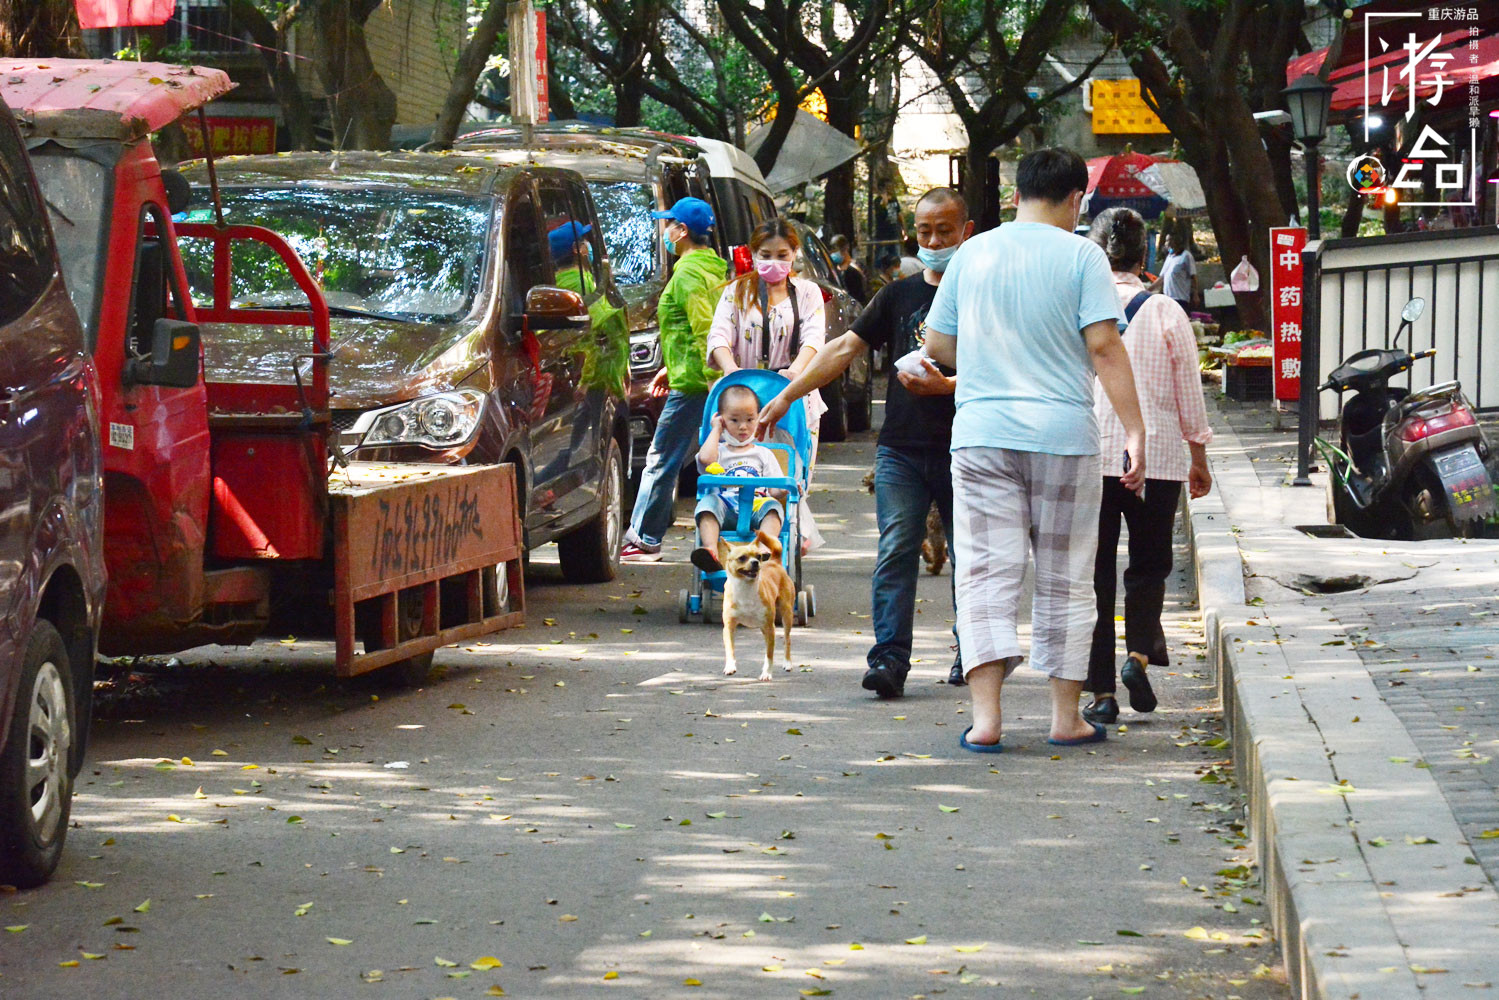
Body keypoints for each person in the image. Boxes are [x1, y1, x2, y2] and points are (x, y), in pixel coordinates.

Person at [921, 147, 1147, 752]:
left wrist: (994, 363)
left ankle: (987, 721)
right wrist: (1134, 431)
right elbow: (1103, 346)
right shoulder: (1083, 255)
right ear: (1077, 200)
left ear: (1017, 194)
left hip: (981, 435)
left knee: (985, 573)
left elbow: (939, 342)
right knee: (1067, 575)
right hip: (1063, 439)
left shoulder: (972, 252)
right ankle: (1064, 717)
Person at [759, 187, 974, 698]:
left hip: (968, 445)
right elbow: (844, 347)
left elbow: (1009, 367)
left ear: (967, 232)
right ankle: (888, 661)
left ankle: (974, 654)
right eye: (924, 231)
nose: (935, 240)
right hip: (900, 448)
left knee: (970, 555)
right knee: (897, 549)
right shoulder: (898, 295)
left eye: (945, 231)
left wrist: (949, 386)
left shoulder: (982, 292)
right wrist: (789, 395)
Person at [1083, 208, 1214, 724]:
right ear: (1145, 257)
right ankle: (1137, 654)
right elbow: (1190, 395)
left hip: (1090, 456)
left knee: (1095, 576)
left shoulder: (1080, 305)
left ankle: (1100, 693)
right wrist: (1198, 457)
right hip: (1156, 458)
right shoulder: (1165, 312)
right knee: (1150, 565)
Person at [707, 219, 829, 551]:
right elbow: (719, 335)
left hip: (793, 395)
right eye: (765, 254)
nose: (774, 262)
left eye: (782, 254)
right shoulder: (737, 291)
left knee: (789, 466)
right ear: (752, 253)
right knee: (736, 463)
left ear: (794, 254)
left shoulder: (807, 292)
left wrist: (796, 373)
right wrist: (732, 371)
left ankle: (785, 532)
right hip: (741, 397)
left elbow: (814, 338)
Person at [620, 197, 728, 562]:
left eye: (669, 224)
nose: (665, 230)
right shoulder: (712, 268)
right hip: (694, 378)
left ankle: (644, 536)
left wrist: (715, 382)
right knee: (691, 459)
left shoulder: (688, 274)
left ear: (682, 231)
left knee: (660, 458)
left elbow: (704, 330)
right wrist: (672, 365)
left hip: (697, 385)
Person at [689, 384, 786, 571]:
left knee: (773, 507)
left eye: (750, 420)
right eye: (734, 420)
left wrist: (787, 487)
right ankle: (709, 550)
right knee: (707, 504)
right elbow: (704, 459)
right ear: (722, 420)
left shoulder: (763, 454)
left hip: (756, 508)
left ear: (758, 418)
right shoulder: (718, 452)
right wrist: (716, 430)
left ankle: (763, 549)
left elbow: (775, 490)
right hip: (726, 508)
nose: (743, 426)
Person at [1158, 232, 1197, 314]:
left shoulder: (1186, 256)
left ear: (1175, 242)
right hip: (1167, 298)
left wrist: (1195, 294)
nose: (1166, 243)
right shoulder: (1169, 257)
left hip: (1180, 299)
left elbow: (1193, 276)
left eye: (1168, 241)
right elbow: (1162, 278)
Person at [827, 234, 867, 304]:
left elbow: (857, 294)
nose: (833, 253)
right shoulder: (836, 269)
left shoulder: (853, 270)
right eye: (832, 250)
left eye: (837, 250)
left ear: (846, 248)